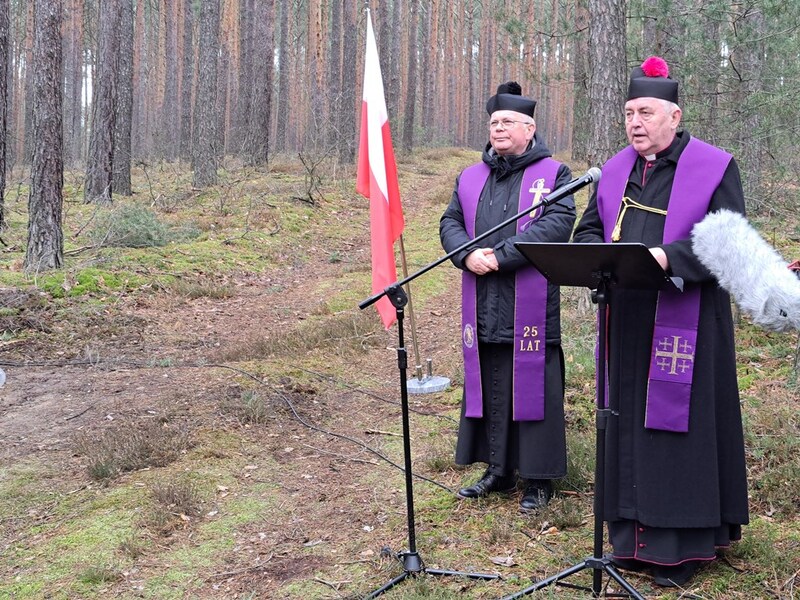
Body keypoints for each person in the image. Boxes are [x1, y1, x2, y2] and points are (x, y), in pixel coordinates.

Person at [572, 57, 749, 587]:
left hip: (687, 322)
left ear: (674, 114)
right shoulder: (615, 170)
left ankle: (681, 546)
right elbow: (588, 232)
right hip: (626, 321)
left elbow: (729, 241)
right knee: (626, 424)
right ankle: (629, 541)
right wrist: (591, 259)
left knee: (678, 431)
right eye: (628, 113)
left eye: (645, 112)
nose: (634, 123)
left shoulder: (714, 167)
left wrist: (670, 257)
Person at [440, 82, 576, 511]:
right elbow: (450, 221)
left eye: (506, 122)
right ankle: (498, 469)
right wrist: (466, 255)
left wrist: (500, 257)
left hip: (528, 303)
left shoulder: (554, 174)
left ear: (529, 127)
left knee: (532, 382)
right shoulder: (469, 175)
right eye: (493, 122)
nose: (497, 129)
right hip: (483, 301)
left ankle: (538, 480)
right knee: (494, 380)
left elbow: (557, 224)